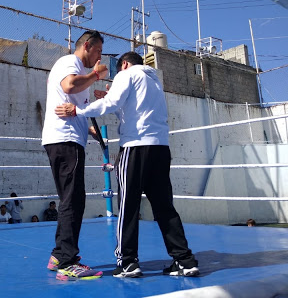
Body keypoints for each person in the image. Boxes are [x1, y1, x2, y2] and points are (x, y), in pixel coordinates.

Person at [56, 51, 199, 278]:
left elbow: (110, 104)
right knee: (164, 207)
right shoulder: (153, 81)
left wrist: (78, 110)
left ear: (124, 63)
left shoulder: (126, 74)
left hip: (135, 148)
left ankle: (128, 262)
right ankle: (185, 260)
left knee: (128, 207)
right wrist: (113, 99)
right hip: (160, 148)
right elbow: (133, 111)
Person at [42, 30, 108, 281]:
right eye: (99, 51)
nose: (99, 57)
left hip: (66, 139)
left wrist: (88, 128)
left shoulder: (77, 69)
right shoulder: (72, 63)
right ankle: (67, 261)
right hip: (65, 140)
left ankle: (59, 254)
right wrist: (95, 75)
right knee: (73, 200)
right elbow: (69, 85)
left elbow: (73, 102)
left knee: (71, 199)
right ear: (87, 46)